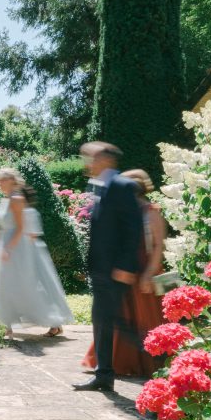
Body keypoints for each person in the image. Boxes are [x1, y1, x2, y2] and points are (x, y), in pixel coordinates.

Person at [81, 168, 166, 377]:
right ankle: (114, 362)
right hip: (125, 268)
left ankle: (150, 359)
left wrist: (149, 273)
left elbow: (157, 246)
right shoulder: (124, 210)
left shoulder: (150, 211)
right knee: (119, 315)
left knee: (144, 318)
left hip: (145, 268)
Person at [73, 142, 144, 392]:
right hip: (102, 269)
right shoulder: (101, 187)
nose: (87, 163)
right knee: (104, 320)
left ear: (105, 160)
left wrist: (126, 265)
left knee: (112, 321)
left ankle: (159, 354)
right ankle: (104, 375)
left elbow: (133, 229)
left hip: (116, 269)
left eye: (90, 158)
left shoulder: (123, 186)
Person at [0, 169, 74, 339]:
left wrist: (8, 249)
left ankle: (53, 323)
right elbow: (1, 228)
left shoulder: (17, 199)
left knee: (25, 286)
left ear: (12, 181)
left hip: (17, 249)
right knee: (5, 285)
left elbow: (21, 228)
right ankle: (7, 324)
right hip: (5, 246)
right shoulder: (5, 199)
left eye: (2, 180)